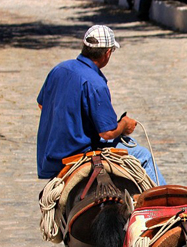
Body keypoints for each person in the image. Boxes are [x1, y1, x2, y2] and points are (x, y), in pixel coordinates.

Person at [36, 24, 165, 184]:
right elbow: (108, 133)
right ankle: (165, 204)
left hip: (51, 154)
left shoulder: (59, 69)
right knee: (143, 155)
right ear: (107, 53)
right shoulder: (95, 83)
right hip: (80, 151)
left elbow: (42, 105)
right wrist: (124, 124)